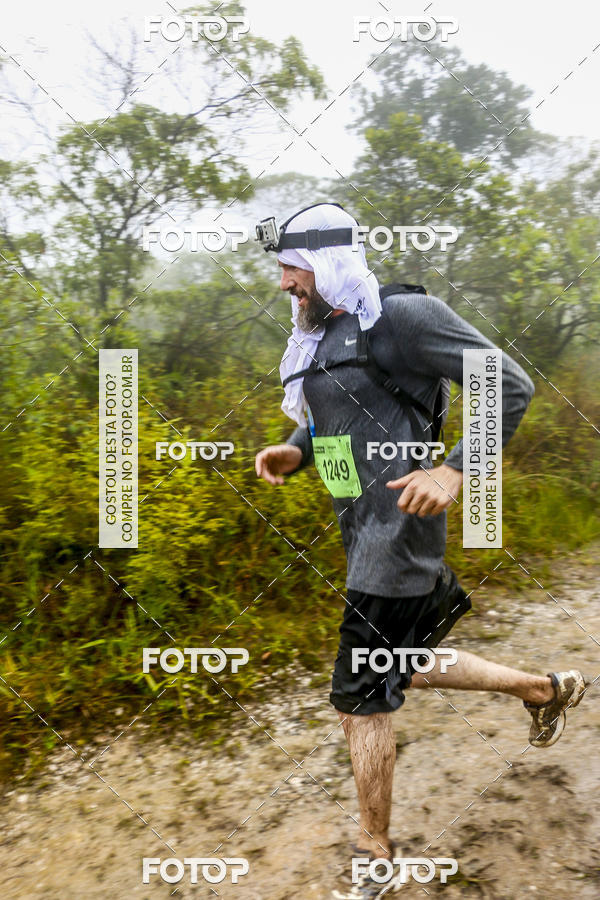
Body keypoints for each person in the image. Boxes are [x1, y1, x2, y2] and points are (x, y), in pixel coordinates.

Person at [254, 203, 588, 897]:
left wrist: (455, 469)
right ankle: (544, 688)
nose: (284, 283)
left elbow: (508, 384)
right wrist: (296, 450)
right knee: (398, 665)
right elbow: (338, 420)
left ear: (325, 262)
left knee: (359, 698)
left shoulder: (400, 318)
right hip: (360, 533)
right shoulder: (326, 335)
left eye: (291, 267)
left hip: (398, 537)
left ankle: (373, 851)